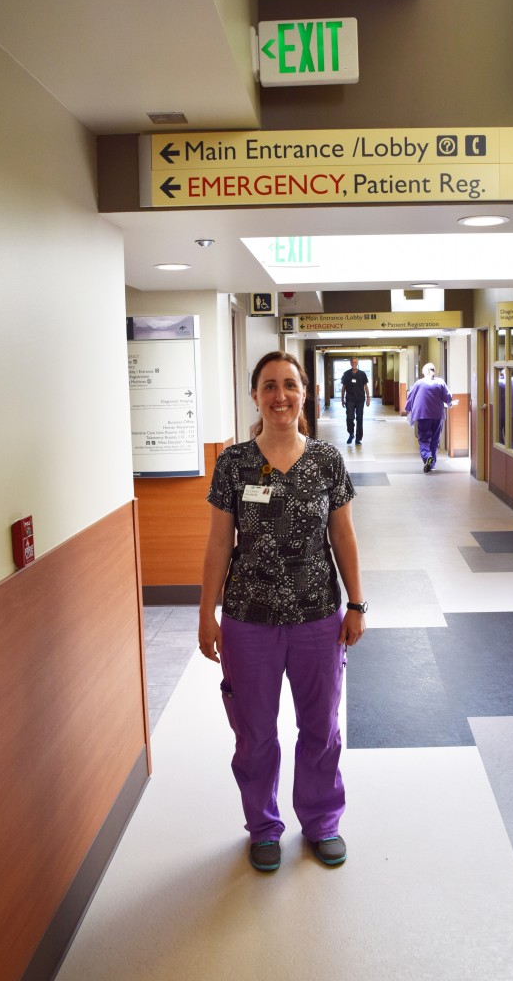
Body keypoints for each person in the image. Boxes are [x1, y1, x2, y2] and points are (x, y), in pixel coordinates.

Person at [198, 350, 367, 873]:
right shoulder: (234, 463)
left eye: (289, 385)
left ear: (305, 394)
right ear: (255, 395)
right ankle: (264, 826)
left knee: (320, 727)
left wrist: (356, 603)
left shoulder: (327, 460)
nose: (280, 395)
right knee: (254, 730)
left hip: (318, 617)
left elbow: (343, 534)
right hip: (249, 619)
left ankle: (321, 822)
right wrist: (207, 612)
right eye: (269, 385)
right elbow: (218, 543)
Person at [404, 362, 453, 473]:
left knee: (424, 439)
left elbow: (410, 398)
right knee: (435, 440)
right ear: (434, 371)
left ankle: (427, 457)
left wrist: (408, 409)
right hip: (437, 415)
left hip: (423, 415)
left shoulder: (418, 383)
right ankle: (432, 464)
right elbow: (448, 398)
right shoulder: (440, 383)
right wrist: (450, 403)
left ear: (423, 372)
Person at [340, 357, 370, 445]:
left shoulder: (362, 374)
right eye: (352, 362)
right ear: (350, 363)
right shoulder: (346, 374)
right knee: (349, 417)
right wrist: (342, 399)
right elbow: (343, 387)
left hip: (360, 399)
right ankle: (351, 433)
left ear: (357, 363)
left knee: (359, 418)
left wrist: (368, 398)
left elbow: (366, 387)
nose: (354, 363)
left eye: (355, 362)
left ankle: (358, 438)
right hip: (350, 399)